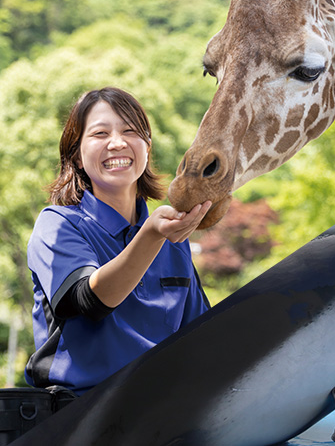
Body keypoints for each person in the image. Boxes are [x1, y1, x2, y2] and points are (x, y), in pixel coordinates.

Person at [25, 87, 212, 395]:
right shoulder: (57, 225)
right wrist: (151, 235)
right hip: (78, 418)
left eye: (130, 131)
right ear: (77, 156)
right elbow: (90, 301)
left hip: (165, 412)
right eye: (100, 134)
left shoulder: (171, 237)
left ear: (147, 147)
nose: (117, 143)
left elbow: (204, 334)